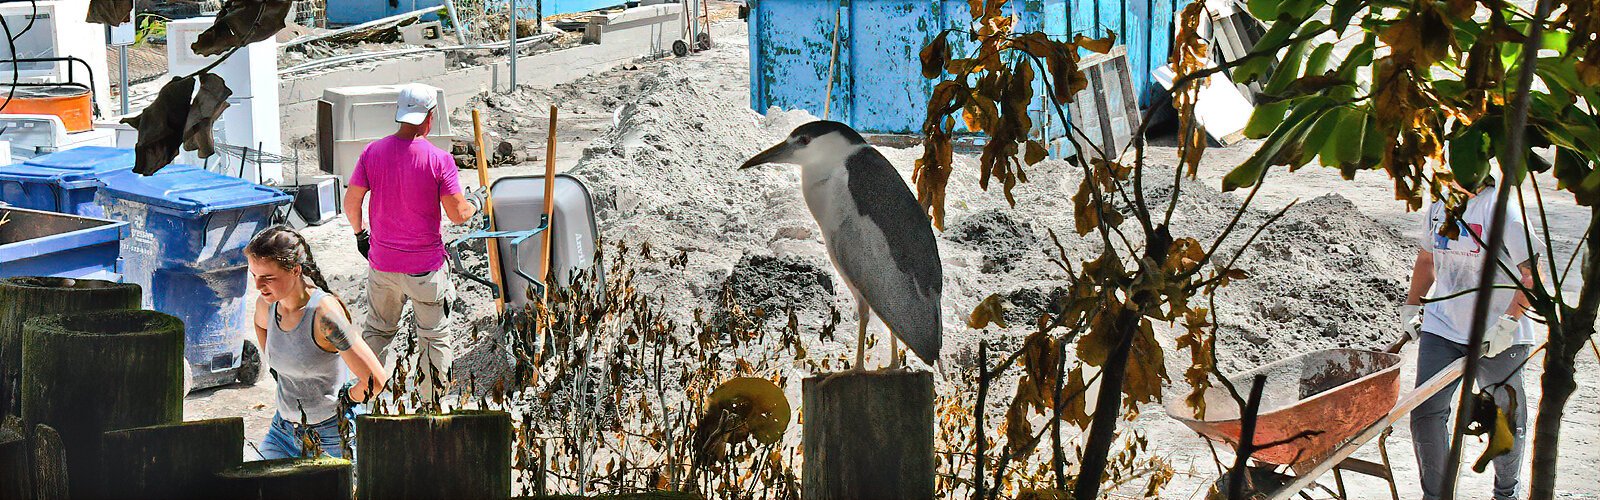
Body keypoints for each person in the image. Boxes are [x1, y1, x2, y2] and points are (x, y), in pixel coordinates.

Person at [1403, 175, 1542, 500]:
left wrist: (1507, 325)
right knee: (1426, 412)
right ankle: (1436, 496)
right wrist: (1411, 306)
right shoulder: (1441, 204)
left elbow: (1531, 275)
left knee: (1503, 417)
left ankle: (1506, 494)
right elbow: (1427, 259)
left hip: (1498, 334)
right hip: (1443, 327)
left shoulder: (1503, 211)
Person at [343, 83, 480, 409]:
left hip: (383, 266)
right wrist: (475, 202)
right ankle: (429, 410)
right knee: (433, 339)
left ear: (400, 116)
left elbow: (351, 203)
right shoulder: (439, 160)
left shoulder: (372, 152)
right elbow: (458, 214)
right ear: (429, 118)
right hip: (426, 270)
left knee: (377, 331)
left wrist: (361, 235)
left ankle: (361, 401)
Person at [247, 226, 388, 459]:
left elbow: (376, 381)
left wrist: (348, 399)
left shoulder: (325, 315)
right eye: (254, 276)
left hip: (331, 437)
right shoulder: (267, 304)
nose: (258, 286)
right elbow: (261, 325)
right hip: (282, 432)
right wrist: (281, 367)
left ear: (295, 270)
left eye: (267, 278)